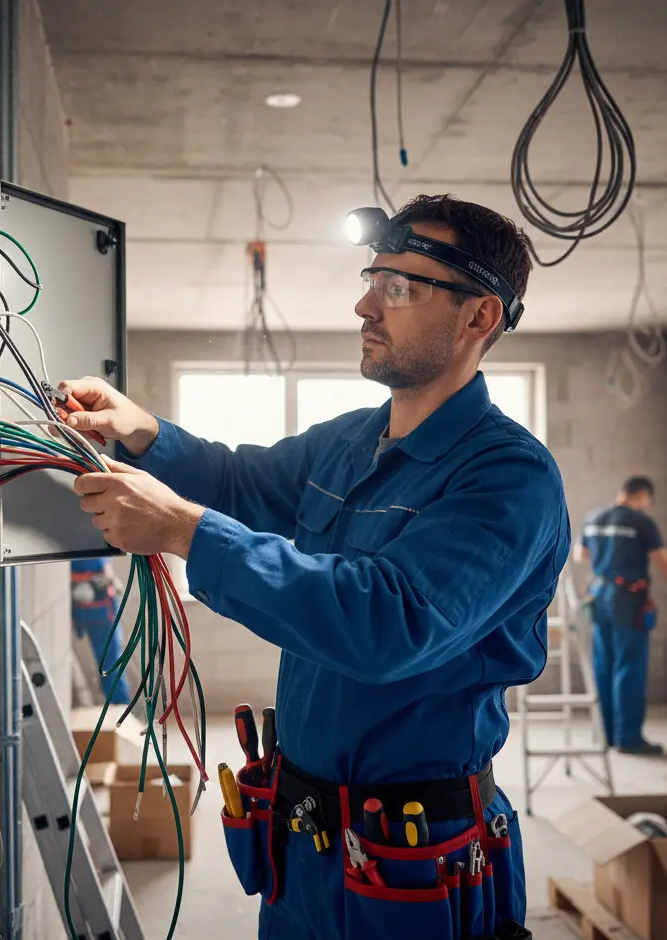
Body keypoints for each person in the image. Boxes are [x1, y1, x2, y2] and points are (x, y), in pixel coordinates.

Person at [62, 194, 570, 939]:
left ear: (478, 318)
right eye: (373, 278)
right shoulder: (347, 441)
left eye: (400, 287)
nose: (365, 305)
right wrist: (141, 433)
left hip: (417, 861)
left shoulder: (507, 477)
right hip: (304, 842)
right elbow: (239, 481)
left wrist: (183, 531)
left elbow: (387, 623)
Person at [573, 476, 667, 756]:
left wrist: (608, 558)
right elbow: (664, 562)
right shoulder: (641, 522)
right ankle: (629, 738)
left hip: (599, 594)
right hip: (627, 599)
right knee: (629, 665)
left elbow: (580, 554)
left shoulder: (594, 517)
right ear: (642, 495)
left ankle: (608, 735)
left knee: (604, 663)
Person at [70, 556, 132, 705]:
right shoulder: (87, 551)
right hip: (98, 612)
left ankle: (120, 708)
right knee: (110, 664)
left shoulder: (90, 547)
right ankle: (120, 707)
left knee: (110, 663)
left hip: (99, 610)